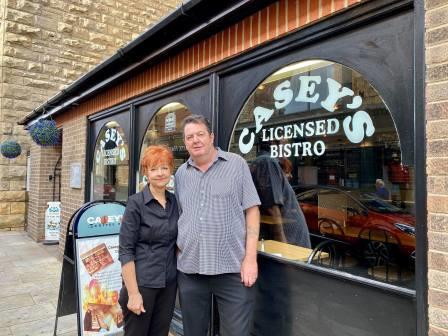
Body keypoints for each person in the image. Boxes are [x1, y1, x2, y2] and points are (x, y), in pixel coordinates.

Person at [175, 115, 261, 336]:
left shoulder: (236, 164)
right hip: (190, 270)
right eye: (189, 137)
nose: (195, 140)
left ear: (211, 136)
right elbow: (180, 216)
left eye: (200, 134)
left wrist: (250, 259)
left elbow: (252, 210)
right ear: (185, 142)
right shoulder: (181, 174)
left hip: (232, 270)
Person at [118, 145, 179, 336]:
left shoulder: (175, 202)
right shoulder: (136, 203)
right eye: (153, 169)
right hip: (142, 285)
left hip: (168, 284)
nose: (160, 173)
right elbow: (126, 251)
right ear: (146, 172)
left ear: (171, 169)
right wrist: (133, 293)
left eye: (164, 168)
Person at [251, 149, 311, 248]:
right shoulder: (267, 162)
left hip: (293, 252)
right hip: (288, 253)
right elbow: (272, 208)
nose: (291, 176)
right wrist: (282, 247)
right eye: (287, 172)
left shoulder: (268, 163)